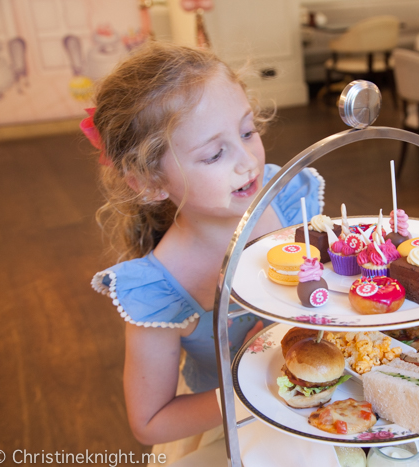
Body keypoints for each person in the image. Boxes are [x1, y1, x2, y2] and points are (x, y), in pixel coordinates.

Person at [87, 42, 325, 463]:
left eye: (248, 131)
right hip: (234, 430)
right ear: (149, 182)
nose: (248, 161)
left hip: (329, 400)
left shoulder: (286, 197)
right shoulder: (159, 289)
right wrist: (247, 384)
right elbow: (150, 421)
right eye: (215, 153)